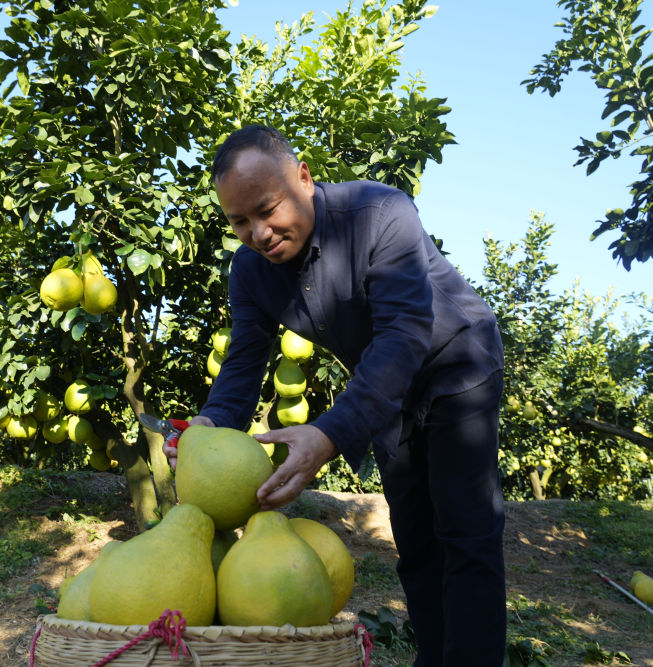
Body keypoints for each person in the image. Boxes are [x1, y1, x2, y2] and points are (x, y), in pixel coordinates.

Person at [164, 124, 506, 664]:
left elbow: (405, 334)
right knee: (416, 541)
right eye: (239, 222)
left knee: (465, 533)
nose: (259, 232)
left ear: (303, 178)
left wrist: (328, 435)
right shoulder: (250, 271)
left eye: (267, 208)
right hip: (384, 390)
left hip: (455, 365)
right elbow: (245, 359)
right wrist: (212, 423)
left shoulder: (380, 213)